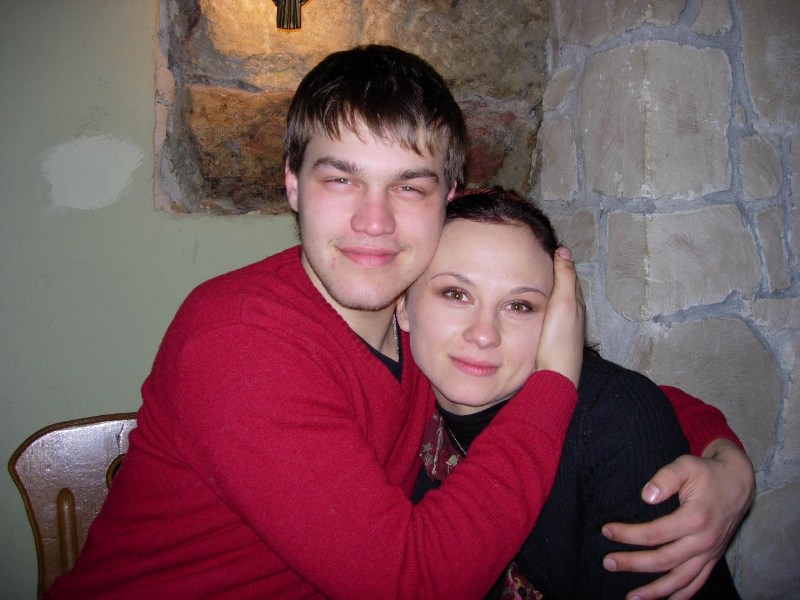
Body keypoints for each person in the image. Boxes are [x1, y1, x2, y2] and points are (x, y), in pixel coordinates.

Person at [46, 45, 753, 599]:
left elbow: (606, 399)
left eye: (408, 186)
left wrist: (724, 460)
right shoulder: (238, 339)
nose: (374, 222)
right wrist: (554, 382)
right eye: (341, 178)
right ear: (292, 182)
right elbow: (413, 584)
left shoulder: (413, 311)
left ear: (449, 197)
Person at [402, 188, 743, 599]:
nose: (484, 334)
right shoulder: (390, 394)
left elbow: (628, 403)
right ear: (403, 306)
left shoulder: (611, 423)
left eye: (519, 306)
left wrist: (725, 456)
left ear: (560, 320)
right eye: (456, 294)